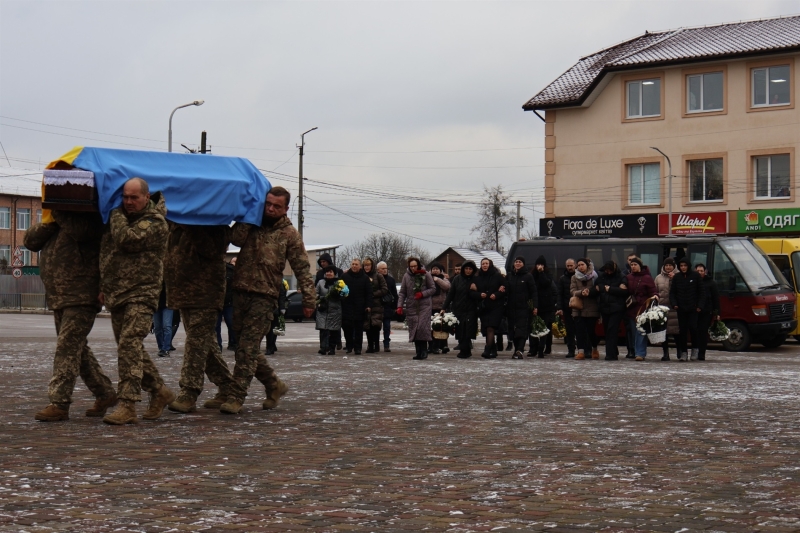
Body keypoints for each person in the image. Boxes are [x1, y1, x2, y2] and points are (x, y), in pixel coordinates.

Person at [219, 186, 315, 414]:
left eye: (276, 206)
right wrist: (250, 216)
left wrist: (309, 300)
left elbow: (302, 267)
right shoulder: (254, 222)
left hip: (265, 296)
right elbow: (235, 239)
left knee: (248, 349)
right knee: (244, 348)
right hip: (240, 292)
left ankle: (235, 397)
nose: (271, 209)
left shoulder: (290, 234)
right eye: (268, 204)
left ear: (285, 209)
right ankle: (274, 385)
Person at [25, 211, 117, 422]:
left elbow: (81, 233)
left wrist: (60, 212)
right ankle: (105, 393)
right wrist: (50, 220)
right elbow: (30, 242)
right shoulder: (55, 220)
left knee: (67, 347)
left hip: (83, 293)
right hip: (59, 294)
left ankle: (59, 402)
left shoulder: (89, 217)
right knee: (77, 349)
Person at [99, 177, 175, 424]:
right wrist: (103, 286)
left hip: (142, 294)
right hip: (118, 293)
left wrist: (115, 212)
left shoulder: (156, 222)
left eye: (134, 197)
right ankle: (159, 391)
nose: (128, 202)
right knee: (130, 348)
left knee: (129, 344)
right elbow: (108, 254)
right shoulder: (121, 219)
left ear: (146, 197)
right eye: (125, 197)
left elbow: (126, 240)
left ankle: (128, 405)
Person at [164, 223, 237, 414]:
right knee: (206, 344)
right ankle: (228, 387)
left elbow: (213, 250)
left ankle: (189, 392)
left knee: (196, 343)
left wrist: (191, 227)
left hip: (206, 292)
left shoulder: (214, 223)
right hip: (182, 291)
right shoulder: (174, 221)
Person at [397, 257, 436, 360]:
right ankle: (418, 351)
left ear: (418, 265)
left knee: (421, 327)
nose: (413, 268)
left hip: (424, 305)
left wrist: (422, 294)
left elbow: (433, 289)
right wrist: (399, 306)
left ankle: (424, 350)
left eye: (415, 266)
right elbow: (402, 292)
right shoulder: (406, 276)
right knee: (414, 329)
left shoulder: (425, 274)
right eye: (411, 266)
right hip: (411, 306)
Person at [669, 257, 705, 362]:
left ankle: (695, 350)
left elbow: (701, 293)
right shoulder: (677, 278)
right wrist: (674, 304)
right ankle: (683, 352)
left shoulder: (696, 276)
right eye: (681, 266)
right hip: (681, 309)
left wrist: (699, 306)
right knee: (682, 331)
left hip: (693, 308)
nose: (683, 267)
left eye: (685, 265)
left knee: (693, 329)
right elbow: (672, 293)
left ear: (688, 266)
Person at [443, 260, 480, 358]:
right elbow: (451, 294)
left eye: (470, 269)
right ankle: (464, 349)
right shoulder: (457, 279)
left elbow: (480, 294)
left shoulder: (476, 279)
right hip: (458, 308)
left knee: (468, 329)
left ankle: (465, 350)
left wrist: (476, 290)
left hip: (471, 309)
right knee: (460, 330)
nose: (468, 271)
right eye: (466, 269)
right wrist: (444, 307)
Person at [593, 261, 628, 361]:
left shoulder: (621, 277)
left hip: (617, 308)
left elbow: (624, 291)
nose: (608, 272)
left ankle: (610, 354)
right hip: (604, 307)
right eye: (606, 270)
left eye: (610, 270)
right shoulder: (602, 277)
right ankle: (613, 351)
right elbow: (597, 287)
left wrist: (610, 289)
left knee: (611, 330)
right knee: (607, 331)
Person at [624, 257, 657, 361]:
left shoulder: (647, 278)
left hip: (642, 308)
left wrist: (655, 296)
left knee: (641, 331)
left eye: (635, 265)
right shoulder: (628, 277)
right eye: (632, 265)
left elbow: (653, 291)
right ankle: (634, 351)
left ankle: (640, 353)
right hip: (631, 308)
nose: (633, 267)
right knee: (633, 331)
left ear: (640, 266)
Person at [505, 256, 537, 359]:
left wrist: (535, 306)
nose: (518, 263)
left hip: (524, 307)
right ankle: (516, 350)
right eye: (516, 262)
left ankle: (520, 349)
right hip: (511, 307)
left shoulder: (528, 276)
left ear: (523, 264)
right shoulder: (509, 276)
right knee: (513, 330)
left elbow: (533, 292)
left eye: (520, 262)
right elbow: (505, 288)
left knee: (522, 330)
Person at [473, 258, 506, 359]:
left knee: (491, 327)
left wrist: (497, 294)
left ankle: (487, 349)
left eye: (487, 263)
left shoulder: (497, 276)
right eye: (483, 263)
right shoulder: (477, 277)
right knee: (486, 328)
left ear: (490, 264)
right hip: (484, 306)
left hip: (496, 306)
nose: (485, 265)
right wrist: (479, 294)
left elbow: (506, 286)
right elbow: (472, 292)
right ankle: (493, 349)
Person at [341, 258, 373, 355]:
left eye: (356, 264)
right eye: (353, 264)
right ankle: (349, 346)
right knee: (347, 328)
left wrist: (368, 305)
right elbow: (339, 289)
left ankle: (358, 348)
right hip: (347, 306)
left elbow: (369, 293)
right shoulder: (344, 276)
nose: (354, 266)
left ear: (360, 266)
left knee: (359, 329)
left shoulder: (364, 278)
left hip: (360, 307)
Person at [570, 258, 600, 360]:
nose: (580, 267)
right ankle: (581, 352)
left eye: (582, 264)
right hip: (578, 308)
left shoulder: (595, 276)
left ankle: (594, 349)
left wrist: (590, 292)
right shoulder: (574, 277)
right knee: (579, 331)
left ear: (587, 265)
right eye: (578, 265)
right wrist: (581, 292)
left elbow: (598, 290)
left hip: (592, 307)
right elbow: (572, 291)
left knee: (591, 331)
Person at [315, 252, 344, 350]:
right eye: (321, 262)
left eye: (324, 261)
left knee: (335, 327)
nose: (322, 263)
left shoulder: (339, 273)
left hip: (334, 307)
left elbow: (343, 290)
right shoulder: (319, 275)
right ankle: (324, 347)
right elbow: (316, 289)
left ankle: (335, 344)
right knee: (323, 328)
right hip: (323, 306)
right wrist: (318, 298)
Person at [530, 256, 557, 358]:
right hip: (535, 305)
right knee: (534, 327)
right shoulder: (532, 275)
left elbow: (546, 283)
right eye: (538, 265)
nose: (539, 266)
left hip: (546, 306)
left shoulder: (548, 275)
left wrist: (541, 273)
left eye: (541, 265)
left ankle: (542, 348)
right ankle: (534, 348)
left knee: (544, 328)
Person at [654, 258, 679, 361]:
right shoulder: (658, 278)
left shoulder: (679, 276)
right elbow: (655, 290)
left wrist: (674, 279)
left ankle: (680, 352)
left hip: (675, 308)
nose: (668, 267)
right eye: (666, 265)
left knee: (676, 332)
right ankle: (665, 353)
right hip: (662, 308)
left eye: (670, 265)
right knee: (664, 333)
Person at [362, 257, 388, 353]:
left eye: (368, 265)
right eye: (365, 265)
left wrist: (373, 294)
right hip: (366, 304)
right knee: (367, 325)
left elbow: (385, 289)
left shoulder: (378, 276)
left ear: (372, 266)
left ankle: (376, 345)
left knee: (375, 326)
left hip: (377, 304)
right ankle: (370, 346)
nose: (366, 267)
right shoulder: (362, 276)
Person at [695, 263, 720, 361]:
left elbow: (716, 299)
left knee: (703, 332)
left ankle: (701, 354)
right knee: (695, 332)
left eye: (701, 271)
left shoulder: (711, 283)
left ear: (705, 272)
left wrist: (717, 313)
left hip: (707, 311)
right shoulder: (693, 282)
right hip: (695, 311)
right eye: (698, 271)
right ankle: (695, 352)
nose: (700, 273)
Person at [428, 263, 451, 354]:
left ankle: (442, 346)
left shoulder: (444, 279)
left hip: (441, 307)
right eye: (434, 269)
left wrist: (437, 280)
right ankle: (431, 346)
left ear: (441, 270)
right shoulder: (428, 278)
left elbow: (447, 287)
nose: (435, 270)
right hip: (430, 307)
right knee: (431, 328)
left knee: (441, 327)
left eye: (437, 269)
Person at [556, 259, 577, 358]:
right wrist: (560, 307)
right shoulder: (562, 279)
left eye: (571, 265)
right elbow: (559, 294)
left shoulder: (579, 277)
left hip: (578, 307)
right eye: (568, 265)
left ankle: (583, 349)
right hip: (567, 307)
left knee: (580, 330)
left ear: (575, 265)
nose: (569, 267)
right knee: (569, 330)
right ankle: (571, 350)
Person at [215, 257, 237, 351]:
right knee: (216, 326)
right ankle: (218, 346)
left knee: (232, 325)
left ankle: (234, 344)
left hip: (229, 302)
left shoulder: (232, 271)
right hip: (217, 303)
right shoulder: (214, 271)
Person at [377, 261, 397, 352]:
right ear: (378, 270)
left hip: (387, 306)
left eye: (386, 268)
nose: (385, 270)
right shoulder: (375, 279)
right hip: (377, 305)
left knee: (387, 326)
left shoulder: (391, 280)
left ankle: (386, 344)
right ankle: (375, 344)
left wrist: (394, 306)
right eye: (382, 269)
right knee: (376, 326)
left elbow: (394, 294)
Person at [264, 280, 288, 355]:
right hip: (267, 308)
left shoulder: (278, 282)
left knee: (272, 329)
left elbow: (282, 296)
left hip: (274, 309)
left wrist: (282, 308)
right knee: (270, 329)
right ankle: (271, 346)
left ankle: (270, 346)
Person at [621, 253, 638, 358]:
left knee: (636, 330)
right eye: (629, 260)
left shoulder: (643, 274)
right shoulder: (624, 274)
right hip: (627, 305)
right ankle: (630, 350)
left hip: (638, 305)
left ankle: (637, 350)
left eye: (633, 260)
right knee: (628, 329)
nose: (631, 262)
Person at [153, 283, 173, 357]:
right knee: (157, 328)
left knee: (167, 326)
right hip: (156, 305)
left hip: (168, 305)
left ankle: (166, 349)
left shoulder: (169, 276)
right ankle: (161, 348)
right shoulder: (155, 276)